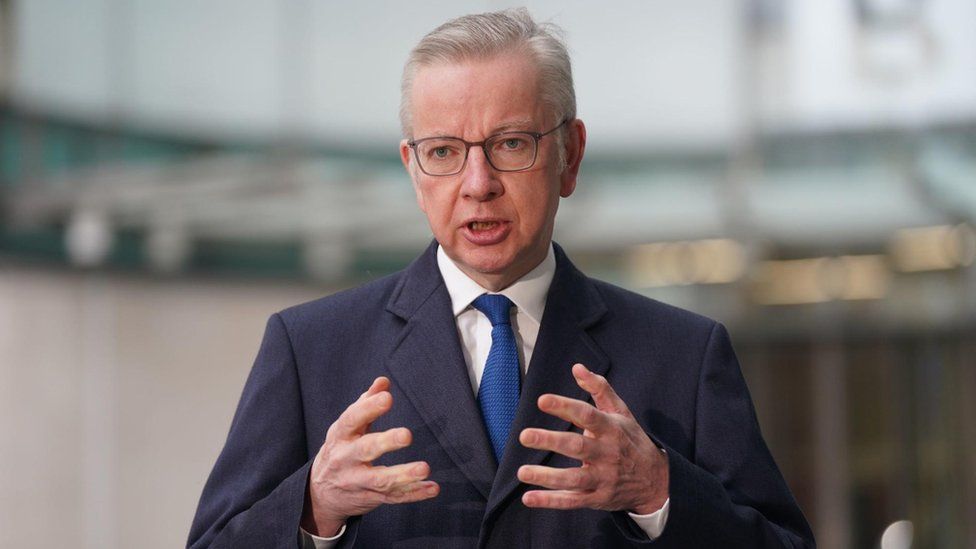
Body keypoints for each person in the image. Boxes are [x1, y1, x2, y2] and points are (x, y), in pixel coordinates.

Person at [187, 8, 814, 548]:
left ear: (570, 155)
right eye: (444, 152)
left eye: (511, 144)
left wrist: (658, 492)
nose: (478, 183)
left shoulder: (683, 355)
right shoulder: (310, 349)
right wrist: (313, 508)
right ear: (413, 169)